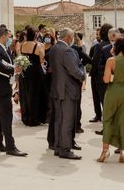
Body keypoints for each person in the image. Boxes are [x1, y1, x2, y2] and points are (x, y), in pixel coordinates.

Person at [47, 28, 86, 160]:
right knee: (67, 121)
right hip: (67, 90)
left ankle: (58, 147)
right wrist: (83, 75)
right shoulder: (67, 51)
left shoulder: (54, 48)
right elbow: (74, 70)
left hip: (57, 89)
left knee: (59, 120)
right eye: (72, 37)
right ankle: (65, 149)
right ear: (69, 38)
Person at [0, 27, 27, 157]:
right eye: (9, 36)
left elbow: (5, 64)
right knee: (6, 117)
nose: (10, 39)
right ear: (3, 36)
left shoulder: (2, 49)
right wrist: (14, 69)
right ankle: (11, 146)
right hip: (0, 88)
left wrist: (13, 68)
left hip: (2, 87)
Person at [97, 37, 124, 163]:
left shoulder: (111, 60)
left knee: (107, 120)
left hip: (113, 91)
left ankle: (105, 151)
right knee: (123, 122)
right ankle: (123, 151)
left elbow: (106, 80)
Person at [18, 26, 47, 127]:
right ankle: (35, 118)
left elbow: (21, 59)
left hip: (25, 72)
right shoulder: (38, 46)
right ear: (35, 35)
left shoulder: (22, 45)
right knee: (36, 95)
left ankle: (26, 117)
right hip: (35, 73)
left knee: (25, 95)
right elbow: (42, 59)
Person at [89, 24, 112, 122]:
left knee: (98, 97)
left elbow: (95, 62)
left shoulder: (99, 46)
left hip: (99, 76)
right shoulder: (114, 45)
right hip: (110, 75)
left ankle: (99, 116)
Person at [71, 32, 92, 134]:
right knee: (77, 102)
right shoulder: (77, 49)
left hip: (67, 77)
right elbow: (88, 59)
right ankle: (77, 125)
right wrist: (80, 65)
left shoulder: (63, 49)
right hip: (76, 77)